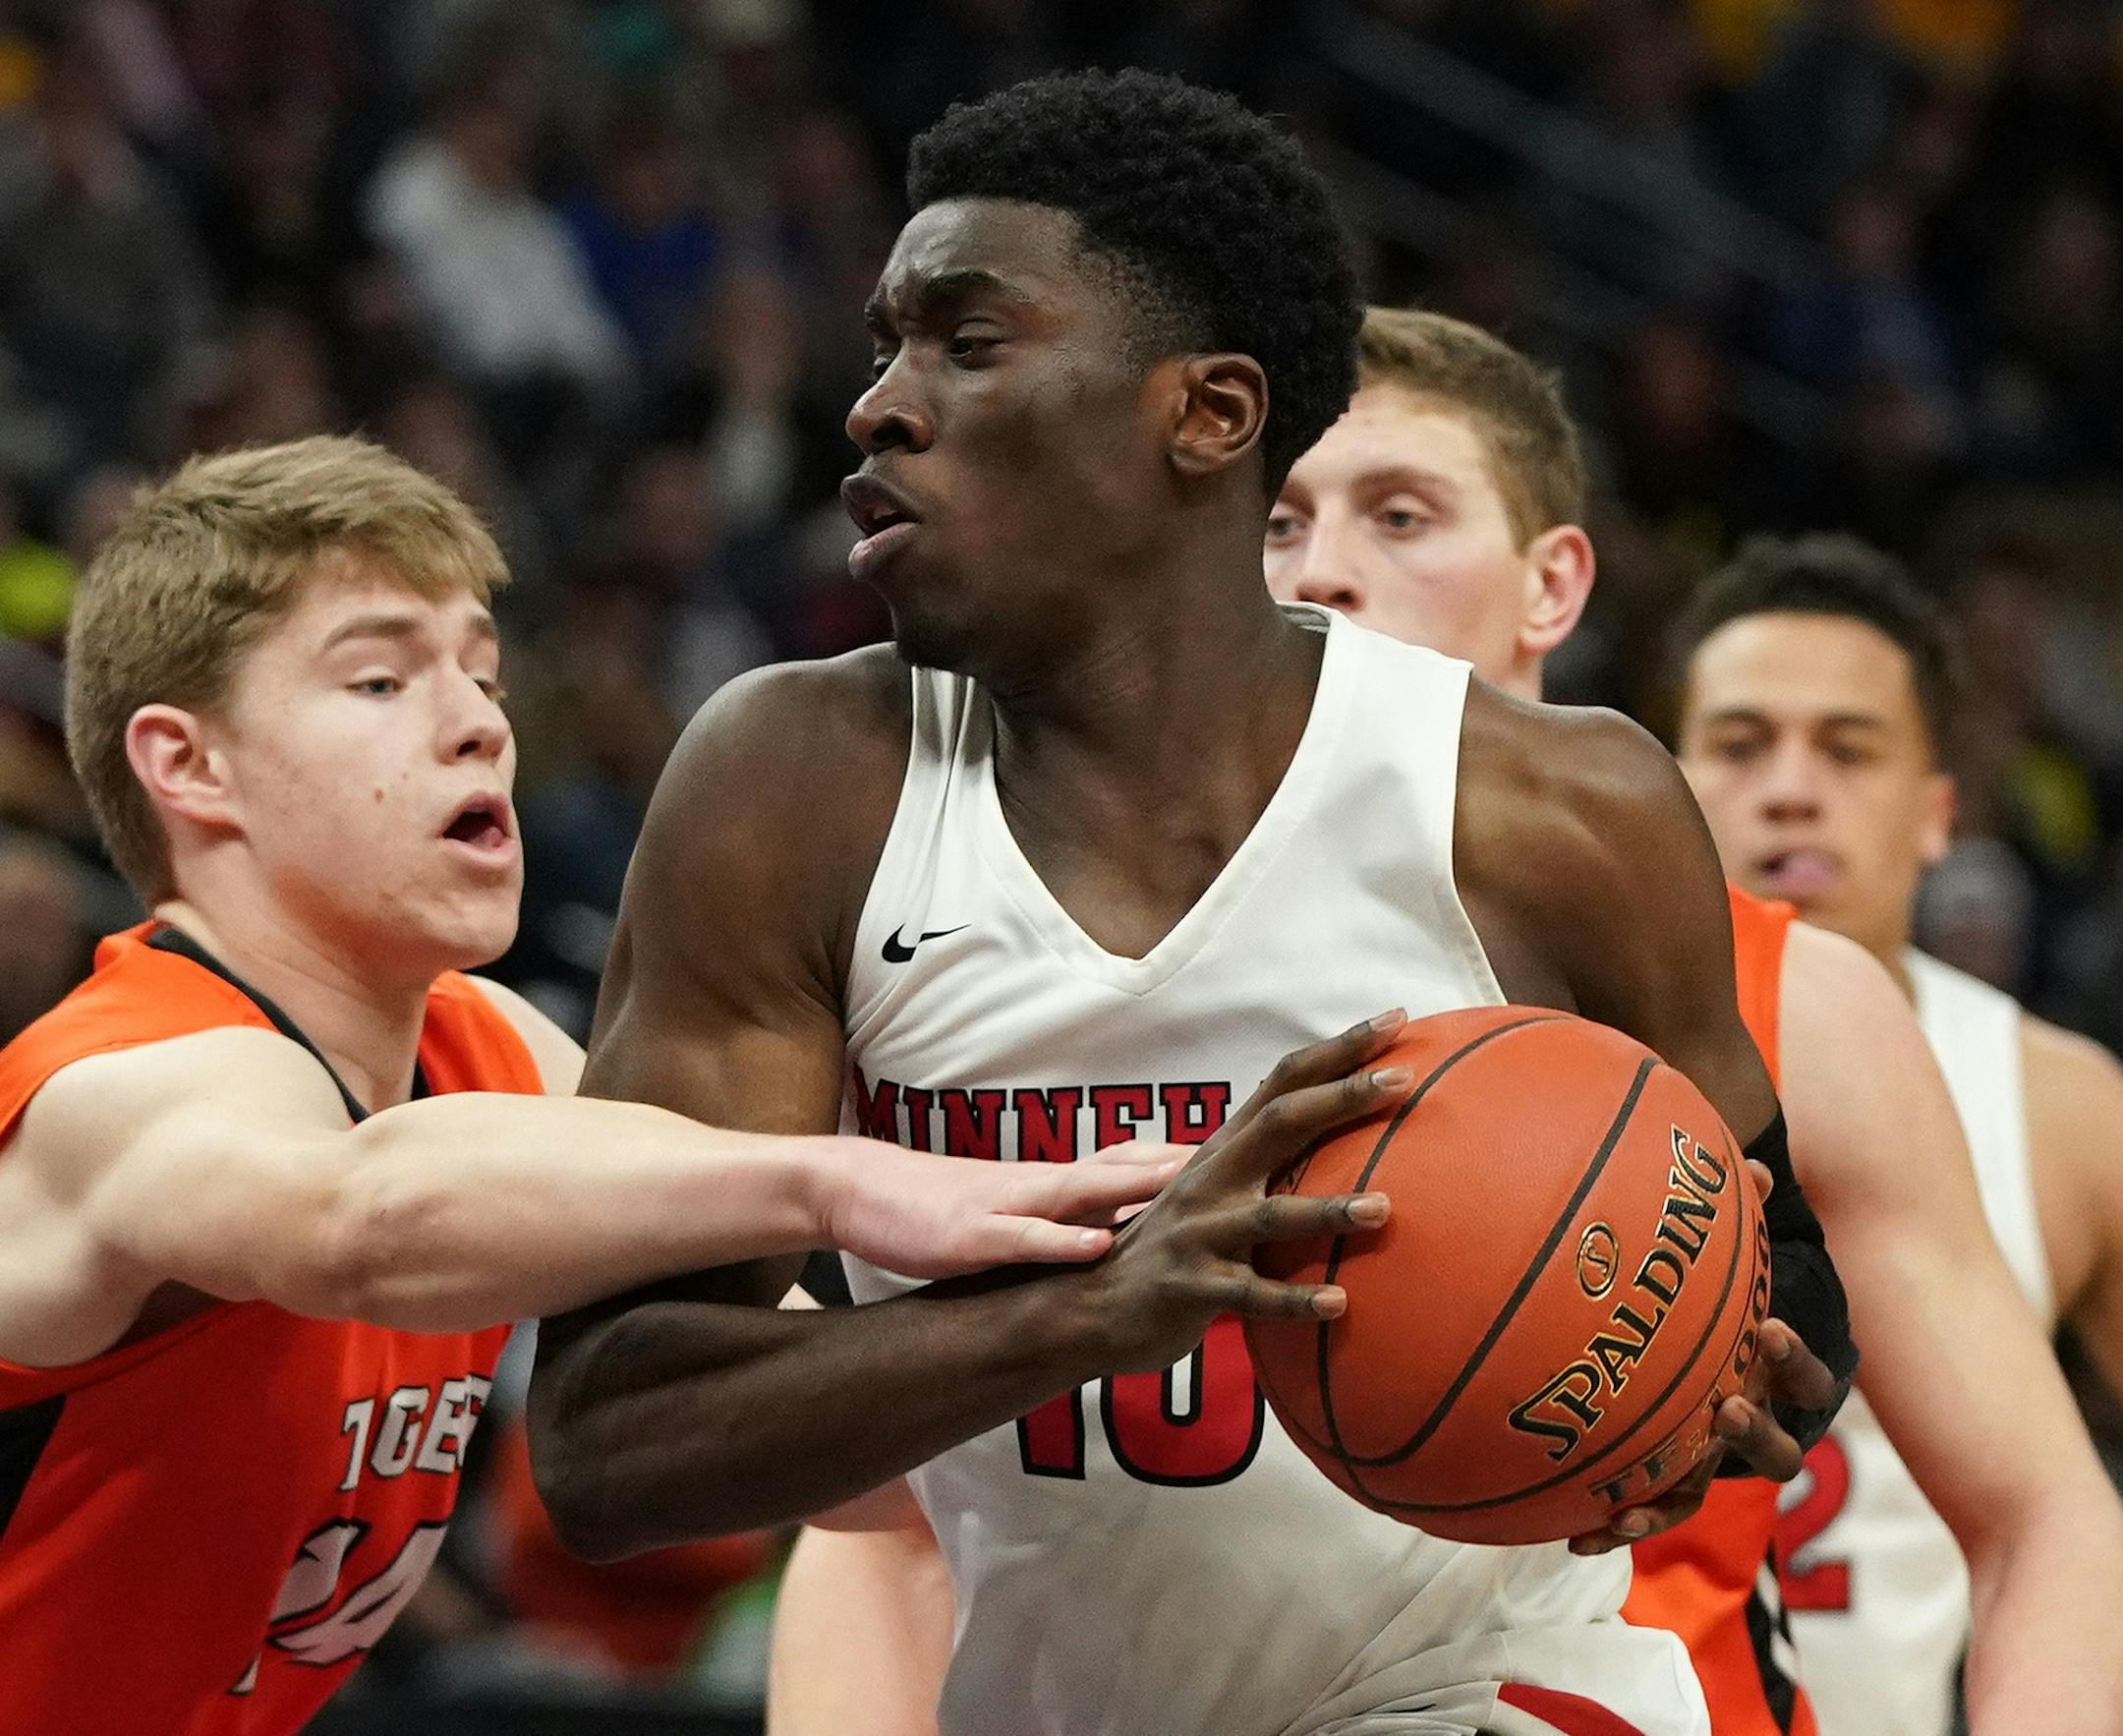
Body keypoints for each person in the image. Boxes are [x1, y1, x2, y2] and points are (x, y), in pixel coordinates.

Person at [529, 72, 1852, 1736]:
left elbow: (1780, 1257)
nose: (876, 403)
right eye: (884, 344)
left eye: (968, 340)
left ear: (1209, 416)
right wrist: (1103, 1307)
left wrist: (1718, 1378)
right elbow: (604, 1441)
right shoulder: (793, 788)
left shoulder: (1545, 808)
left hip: (1491, 1687)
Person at [766, 307, 2123, 1736]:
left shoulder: (1784, 995)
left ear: (1553, 588)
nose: (1325, 567)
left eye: (1402, 514)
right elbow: (889, 1529)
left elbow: (2045, 1517)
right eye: (1277, 521)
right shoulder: (1064, 981)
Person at [0, 434, 1181, 1734]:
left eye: (485, 674)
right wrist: (839, 1173)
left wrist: (1119, 1303)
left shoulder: (492, 1050)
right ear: (189, 765)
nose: (476, 722)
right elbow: (358, 1215)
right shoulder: (114, 1081)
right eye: (383, 678)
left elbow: (835, 1442)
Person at [1670, 535, 2123, 1736]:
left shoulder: (2064, 1104)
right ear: (1654, 785)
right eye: (1738, 742)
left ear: (1937, 814)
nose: (1791, 788)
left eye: (1847, 748)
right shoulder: (1555, 1059)